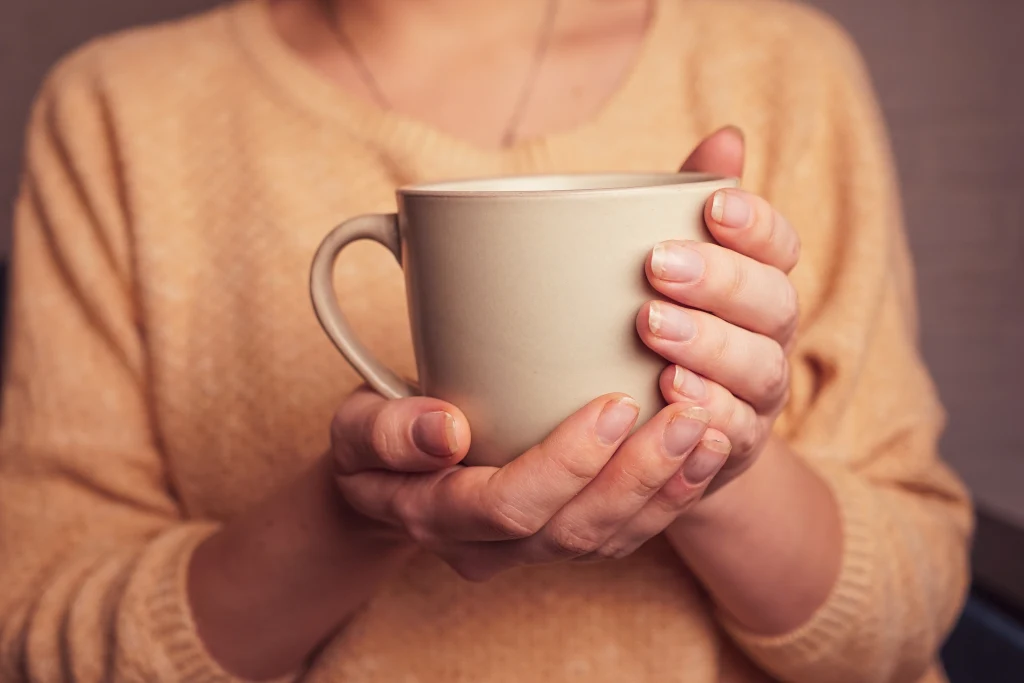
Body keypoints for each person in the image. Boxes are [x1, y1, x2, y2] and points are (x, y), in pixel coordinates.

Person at [0, 0, 973, 681]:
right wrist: (357, 514)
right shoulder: (117, 109)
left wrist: (712, 454)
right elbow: (40, 635)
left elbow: (907, 611)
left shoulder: (782, 64)